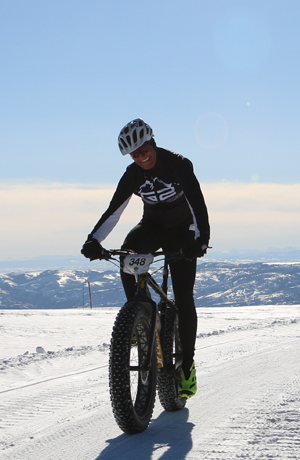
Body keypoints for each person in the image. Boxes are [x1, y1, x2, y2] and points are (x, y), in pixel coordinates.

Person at [81, 119, 210, 397]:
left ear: (152, 142)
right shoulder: (132, 174)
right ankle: (140, 318)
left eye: (143, 150)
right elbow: (114, 210)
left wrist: (200, 240)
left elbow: (197, 204)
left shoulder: (178, 165)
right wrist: (94, 240)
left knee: (184, 297)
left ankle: (187, 366)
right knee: (128, 254)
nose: (140, 157)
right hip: (152, 228)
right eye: (134, 154)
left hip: (182, 232)